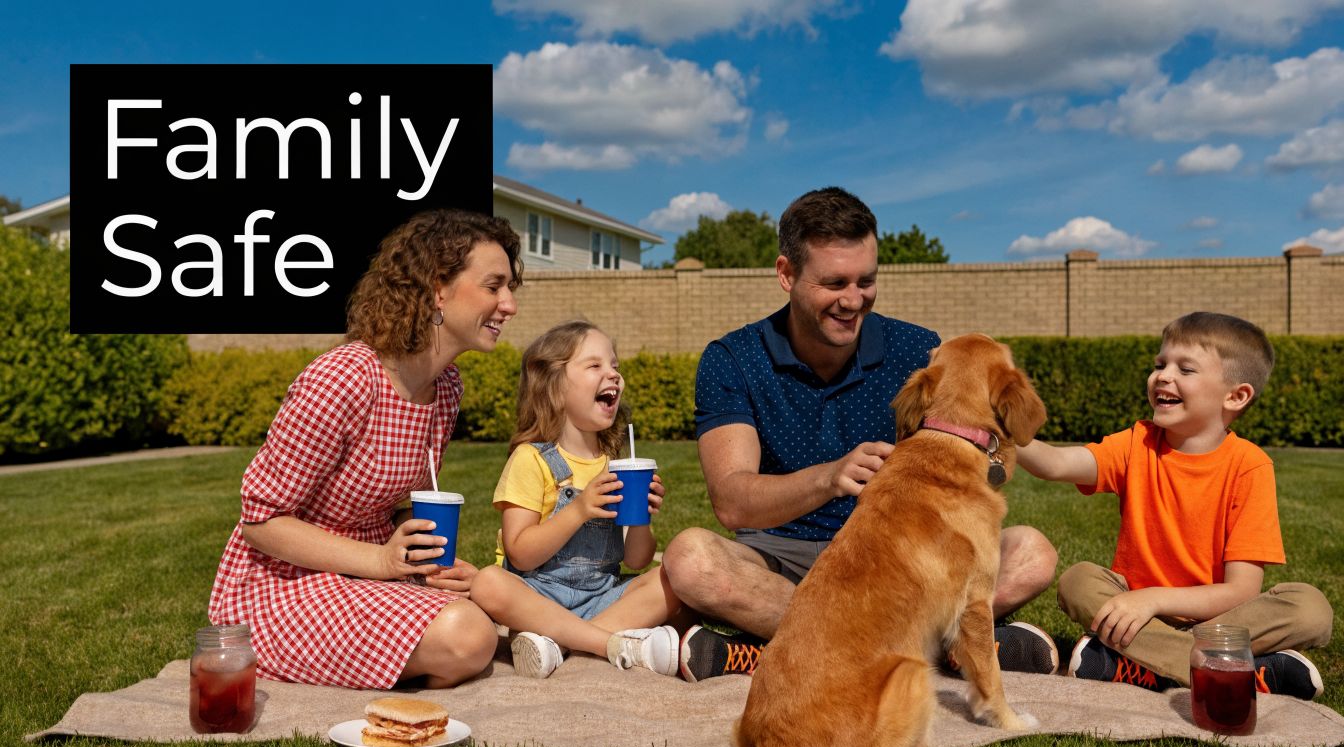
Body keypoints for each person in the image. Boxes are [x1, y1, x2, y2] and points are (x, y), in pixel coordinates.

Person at [661, 187, 1060, 682]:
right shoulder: (734, 359)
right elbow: (732, 502)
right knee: (691, 560)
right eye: (834, 283)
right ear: (786, 274)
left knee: (1033, 553)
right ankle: (934, 649)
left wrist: (983, 462)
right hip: (781, 559)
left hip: (899, 558)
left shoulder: (919, 350)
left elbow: (991, 462)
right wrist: (830, 478)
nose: (853, 301)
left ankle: (797, 651)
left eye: (865, 281)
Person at [207, 209, 522, 689]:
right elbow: (260, 523)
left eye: (509, 288)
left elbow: (388, 506)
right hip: (281, 585)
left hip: (367, 573)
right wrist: (380, 563)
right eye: (494, 286)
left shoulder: (446, 386)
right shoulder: (343, 379)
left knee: (485, 602)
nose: (509, 305)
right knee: (468, 635)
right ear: (437, 288)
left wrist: (420, 555)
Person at [1016, 311, 1332, 699]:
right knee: (1077, 581)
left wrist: (1153, 599)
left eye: (1186, 369)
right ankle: (1231, 669)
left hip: (1214, 619)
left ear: (1236, 396)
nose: (1163, 376)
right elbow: (1056, 464)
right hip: (1135, 612)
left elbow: (1241, 591)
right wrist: (1001, 432)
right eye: (1160, 364)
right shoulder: (1137, 444)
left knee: (1310, 608)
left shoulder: (1249, 466)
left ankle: (1144, 665)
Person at [470, 320, 688, 679]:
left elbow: (636, 559)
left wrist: (643, 518)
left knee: (671, 581)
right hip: (538, 598)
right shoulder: (532, 459)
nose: (613, 375)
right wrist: (579, 509)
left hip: (601, 598)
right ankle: (607, 643)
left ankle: (560, 646)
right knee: (488, 583)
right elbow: (520, 553)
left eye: (615, 366)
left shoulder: (616, 466)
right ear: (554, 385)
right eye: (595, 365)